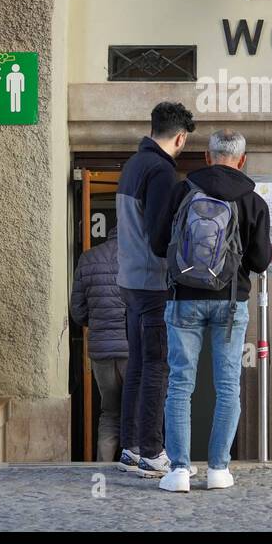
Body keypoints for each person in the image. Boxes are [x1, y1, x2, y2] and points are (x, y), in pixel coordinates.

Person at [150, 128, 271, 493]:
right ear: (242, 160)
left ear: (206, 156)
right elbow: (261, 260)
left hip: (183, 299)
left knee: (180, 385)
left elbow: (158, 244)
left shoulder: (181, 191)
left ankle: (180, 471)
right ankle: (219, 469)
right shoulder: (253, 200)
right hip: (231, 302)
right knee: (227, 386)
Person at [116, 101, 195, 477]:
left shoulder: (132, 165)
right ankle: (152, 451)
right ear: (180, 137)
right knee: (157, 367)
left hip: (129, 281)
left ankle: (131, 448)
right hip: (152, 283)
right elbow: (158, 236)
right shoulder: (161, 171)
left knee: (137, 366)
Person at [69, 225, 127, 464]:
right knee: (138, 409)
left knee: (110, 411)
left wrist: (96, 322)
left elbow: (78, 311)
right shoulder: (139, 257)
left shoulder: (89, 257)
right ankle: (136, 462)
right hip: (132, 348)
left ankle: (103, 465)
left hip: (101, 350)